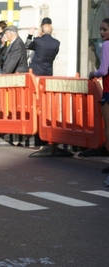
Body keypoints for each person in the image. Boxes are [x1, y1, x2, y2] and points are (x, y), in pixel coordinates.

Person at [88, 18, 109, 186]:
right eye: (101, 29)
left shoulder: (107, 46)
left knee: (108, 131)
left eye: (104, 29)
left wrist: (92, 73)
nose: (102, 32)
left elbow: (103, 70)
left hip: (108, 92)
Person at [89, 0, 109, 69]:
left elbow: (107, 18)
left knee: (100, 53)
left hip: (100, 35)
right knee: (97, 55)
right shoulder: (94, 7)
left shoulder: (104, 5)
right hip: (93, 36)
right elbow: (91, 22)